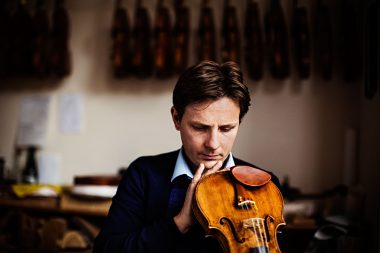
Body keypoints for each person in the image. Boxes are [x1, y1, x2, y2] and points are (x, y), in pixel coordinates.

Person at [93, 61, 281, 253]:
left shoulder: (265, 185)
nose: (213, 144)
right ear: (176, 118)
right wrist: (180, 222)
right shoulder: (143, 174)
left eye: (226, 128)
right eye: (200, 127)